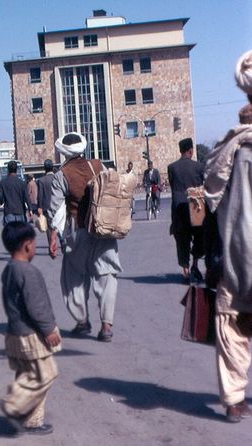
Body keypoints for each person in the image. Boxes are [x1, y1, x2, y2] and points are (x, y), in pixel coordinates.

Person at [204, 49, 252, 423]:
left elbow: (212, 198)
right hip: (239, 251)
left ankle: (234, 398)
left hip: (236, 253)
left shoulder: (230, 147)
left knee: (232, 324)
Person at [47, 132, 122, 341]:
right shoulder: (99, 165)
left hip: (78, 230)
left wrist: (54, 236)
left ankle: (82, 321)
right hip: (104, 229)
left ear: (64, 151)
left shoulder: (62, 174)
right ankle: (106, 325)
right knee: (106, 275)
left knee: (73, 277)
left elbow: (57, 209)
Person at [0, 221, 61, 435]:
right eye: (34, 244)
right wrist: (49, 330)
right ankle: (19, 409)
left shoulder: (9, 269)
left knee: (25, 373)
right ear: (27, 245)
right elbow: (37, 306)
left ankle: (27, 416)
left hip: (14, 331)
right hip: (31, 333)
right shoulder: (29, 272)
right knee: (45, 373)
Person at [167, 138, 204, 282]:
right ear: (190, 150)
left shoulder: (172, 167)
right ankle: (195, 264)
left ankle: (186, 271)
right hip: (196, 207)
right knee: (200, 237)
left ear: (180, 150)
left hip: (178, 208)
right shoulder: (199, 167)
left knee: (182, 239)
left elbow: (172, 185)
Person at [0, 160, 32, 226]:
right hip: (20, 211)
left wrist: (1, 201)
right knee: (21, 233)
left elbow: (0, 197)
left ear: (8, 169)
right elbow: (27, 197)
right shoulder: (22, 183)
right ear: (16, 169)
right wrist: (30, 209)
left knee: (11, 232)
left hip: (9, 211)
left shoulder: (3, 183)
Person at [37, 159, 56, 246]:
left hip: (46, 206)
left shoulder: (41, 180)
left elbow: (40, 195)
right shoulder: (57, 178)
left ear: (44, 168)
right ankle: (62, 241)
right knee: (59, 224)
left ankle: (51, 244)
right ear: (52, 168)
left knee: (48, 227)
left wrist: (39, 207)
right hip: (58, 206)